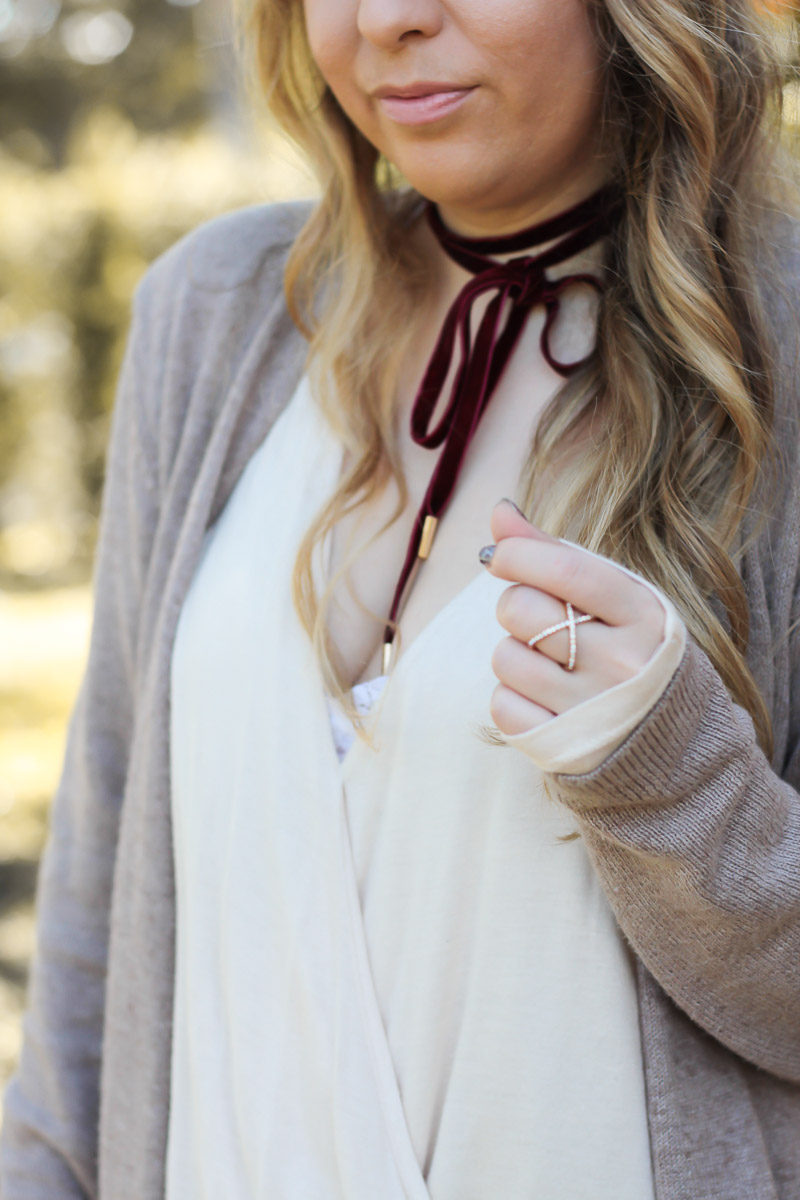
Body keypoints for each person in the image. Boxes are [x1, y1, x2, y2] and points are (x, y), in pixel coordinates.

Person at [2, 0, 800, 1195]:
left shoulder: (777, 346)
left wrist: (673, 779)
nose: (384, 20)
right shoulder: (216, 313)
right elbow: (95, 910)